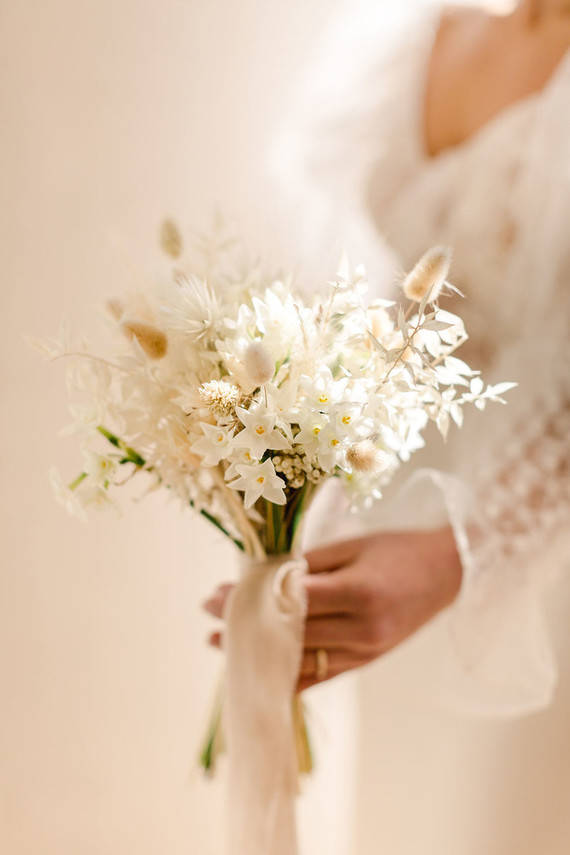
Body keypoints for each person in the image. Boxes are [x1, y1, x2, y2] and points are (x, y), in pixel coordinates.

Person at [204, 1, 570, 852]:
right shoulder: (404, 31)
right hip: (381, 536)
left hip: (532, 562)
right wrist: (290, 491)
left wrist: (462, 549)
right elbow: (349, 288)